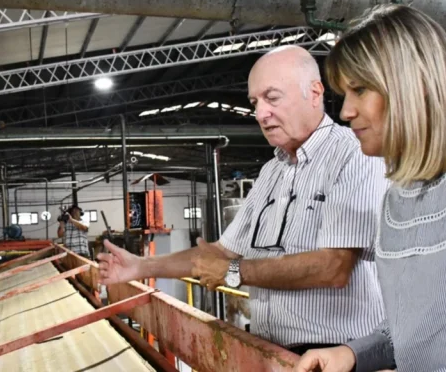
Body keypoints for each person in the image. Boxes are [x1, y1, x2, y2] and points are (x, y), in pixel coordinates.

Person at [293, 4, 446, 372]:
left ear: (411, 85)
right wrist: (351, 354)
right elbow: (415, 330)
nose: (345, 111)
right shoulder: (399, 191)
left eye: (359, 90)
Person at [98, 46, 389, 352]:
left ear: (315, 93)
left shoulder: (353, 155)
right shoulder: (271, 173)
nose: (261, 114)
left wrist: (232, 272)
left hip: (338, 354)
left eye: (272, 98)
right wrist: (141, 266)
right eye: (255, 102)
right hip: (271, 350)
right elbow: (221, 252)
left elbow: (334, 267)